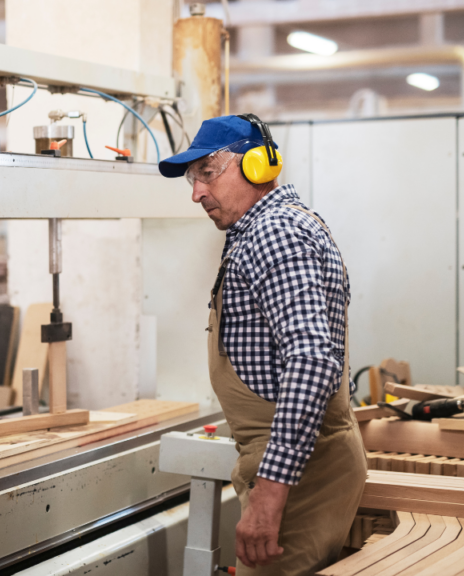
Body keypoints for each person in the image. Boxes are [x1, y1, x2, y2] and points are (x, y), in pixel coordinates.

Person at [158, 114, 367, 575]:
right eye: (192, 180)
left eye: (207, 173)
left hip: (302, 471)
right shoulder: (265, 230)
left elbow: (311, 363)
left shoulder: (274, 233)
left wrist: (270, 496)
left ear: (259, 165)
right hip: (295, 460)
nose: (197, 193)